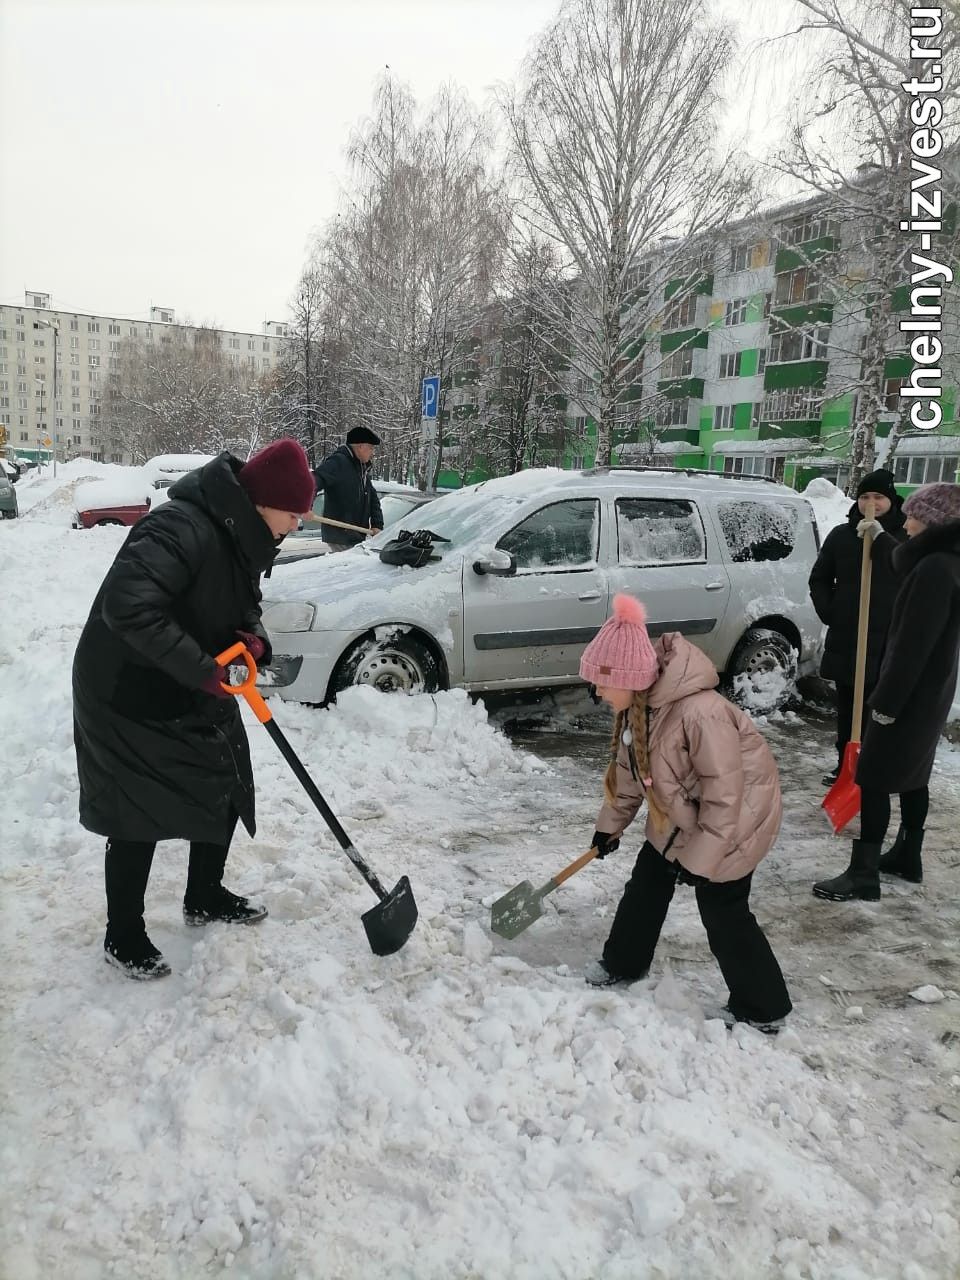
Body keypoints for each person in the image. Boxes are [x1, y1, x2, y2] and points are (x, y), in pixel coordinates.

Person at [72, 439, 316, 979]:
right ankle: (124, 934)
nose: (299, 524)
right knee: (136, 809)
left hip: (189, 679)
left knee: (225, 778)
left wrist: (253, 643)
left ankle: (204, 894)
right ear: (264, 501)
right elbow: (127, 606)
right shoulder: (179, 526)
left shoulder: (241, 534)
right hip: (127, 688)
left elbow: (240, 606)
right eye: (295, 513)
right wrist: (207, 670)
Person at [580, 593, 792, 1034]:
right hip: (682, 815)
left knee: (722, 908)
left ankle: (764, 1007)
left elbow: (725, 795)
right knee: (647, 883)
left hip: (737, 821)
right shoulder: (640, 710)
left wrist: (701, 861)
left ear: (629, 677)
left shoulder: (700, 714)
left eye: (602, 683)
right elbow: (629, 774)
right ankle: (624, 962)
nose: (597, 693)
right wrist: (608, 829)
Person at [813, 482, 960, 902]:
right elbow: (901, 561)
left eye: (914, 516)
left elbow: (912, 646)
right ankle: (907, 855)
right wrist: (879, 540)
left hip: (909, 695)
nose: (906, 522)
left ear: (933, 522)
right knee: (915, 776)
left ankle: (863, 874)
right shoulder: (945, 561)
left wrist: (886, 705)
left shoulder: (933, 570)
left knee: (873, 777)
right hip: (932, 693)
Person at [808, 469, 907, 786]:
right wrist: (832, 612)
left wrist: (880, 537)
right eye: (865, 496)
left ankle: (877, 766)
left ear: (891, 500)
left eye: (879, 497)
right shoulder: (841, 535)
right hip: (850, 635)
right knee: (849, 708)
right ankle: (846, 765)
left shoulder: (906, 536)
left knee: (882, 709)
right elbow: (819, 578)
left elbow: (908, 572)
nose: (871, 503)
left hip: (890, 640)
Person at [312, 426, 384, 551]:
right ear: (361, 446)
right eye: (371, 448)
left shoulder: (361, 469)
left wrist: (377, 524)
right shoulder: (338, 462)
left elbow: (372, 498)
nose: (372, 452)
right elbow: (314, 480)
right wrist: (304, 506)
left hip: (356, 535)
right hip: (340, 536)